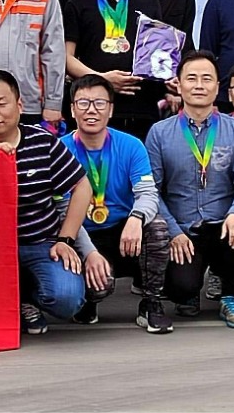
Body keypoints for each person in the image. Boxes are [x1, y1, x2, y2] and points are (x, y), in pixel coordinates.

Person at [0, 70, 93, 335]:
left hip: (40, 242)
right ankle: (19, 303)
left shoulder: (43, 141)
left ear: (19, 105)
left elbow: (82, 186)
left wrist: (66, 239)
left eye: (1, 104)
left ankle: (28, 296)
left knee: (67, 299)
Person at [143, 51, 234, 328]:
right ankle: (189, 292)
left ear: (217, 87)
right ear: (179, 84)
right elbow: (152, 190)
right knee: (181, 288)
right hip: (183, 228)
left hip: (224, 225)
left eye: (206, 79)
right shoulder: (159, 133)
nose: (199, 85)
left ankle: (232, 295)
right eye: (191, 78)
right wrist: (173, 232)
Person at [57, 75, 173, 334]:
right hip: (82, 234)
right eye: (83, 103)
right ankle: (88, 301)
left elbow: (148, 193)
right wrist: (89, 252)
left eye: (99, 103)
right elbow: (62, 212)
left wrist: (136, 217)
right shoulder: (60, 151)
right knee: (99, 287)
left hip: (123, 232)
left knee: (156, 227)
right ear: (72, 110)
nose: (91, 110)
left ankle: (151, 302)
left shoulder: (131, 145)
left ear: (110, 109)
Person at [64, 0, 166, 138]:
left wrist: (169, 82)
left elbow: (158, 54)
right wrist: (102, 79)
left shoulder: (149, 1)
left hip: (141, 108)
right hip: (93, 108)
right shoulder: (77, 4)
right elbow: (66, 57)